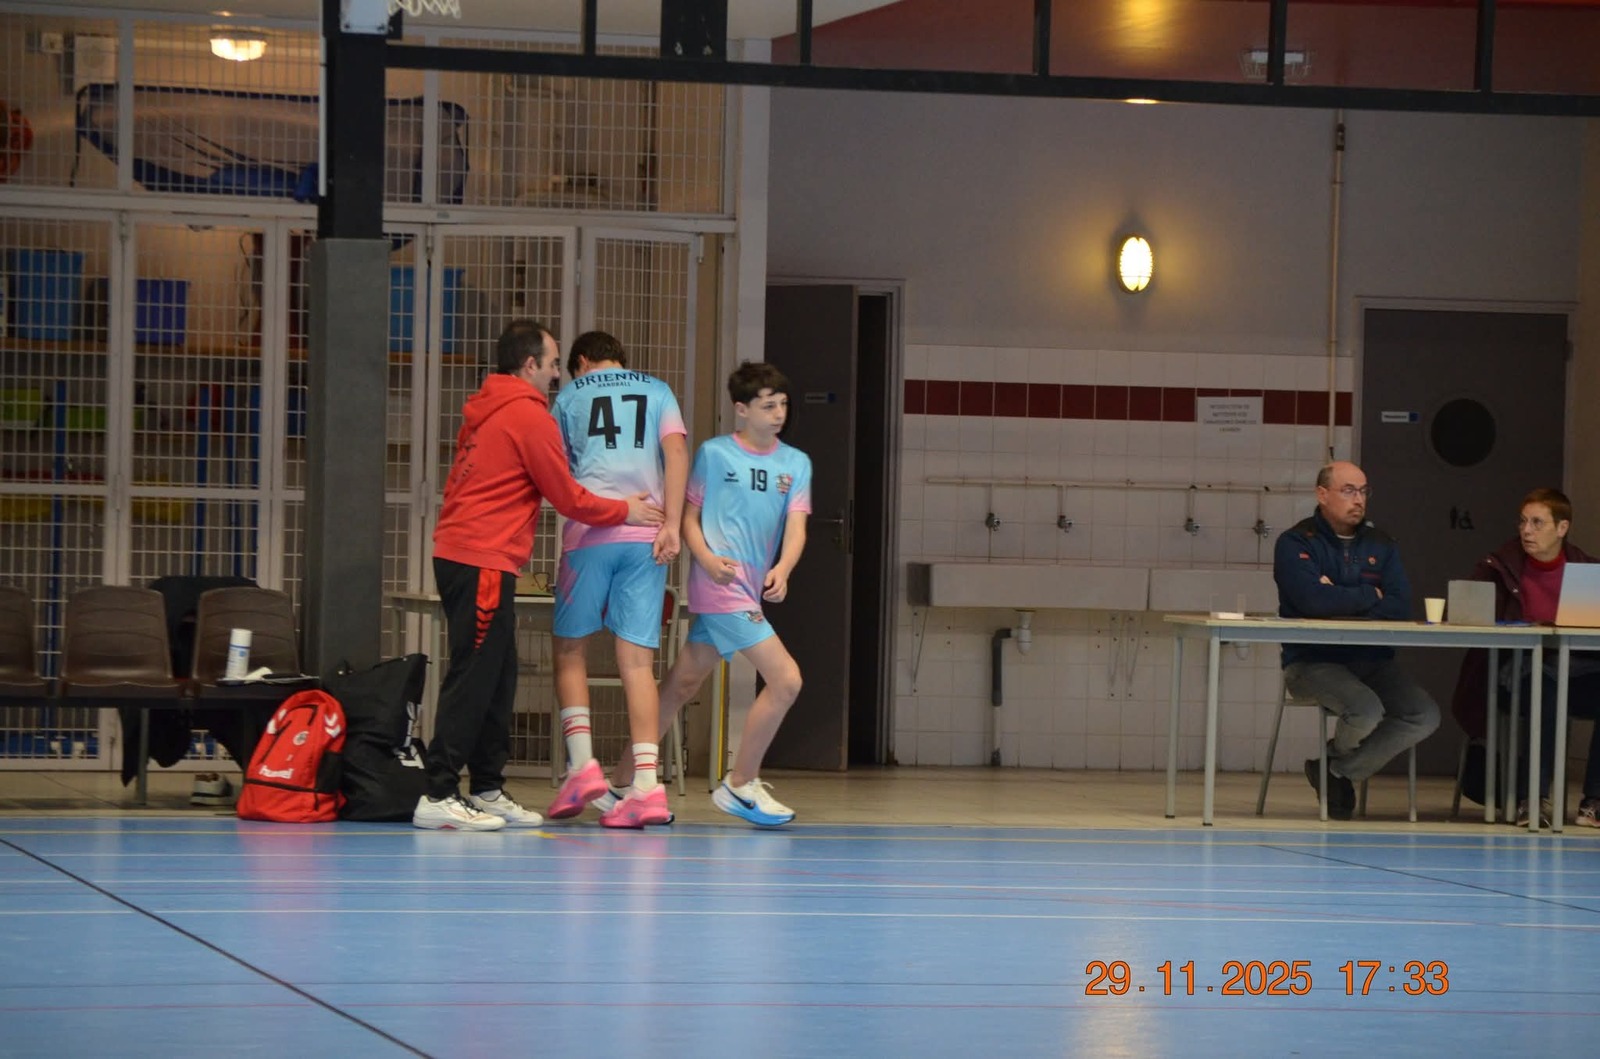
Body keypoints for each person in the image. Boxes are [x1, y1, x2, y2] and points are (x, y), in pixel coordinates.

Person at [415, 319, 663, 831]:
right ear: (529, 365)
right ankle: (438, 791)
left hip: (477, 555)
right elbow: (568, 497)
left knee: (499, 673)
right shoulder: (528, 416)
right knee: (475, 673)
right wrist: (626, 510)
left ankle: (486, 787)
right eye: (552, 365)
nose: (556, 375)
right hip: (480, 556)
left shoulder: (490, 406)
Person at [609, 361, 811, 826]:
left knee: (680, 685)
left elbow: (797, 527)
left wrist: (783, 567)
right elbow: (688, 518)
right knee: (786, 680)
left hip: (749, 592)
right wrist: (706, 559)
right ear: (741, 409)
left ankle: (620, 782)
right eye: (768, 405)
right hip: (721, 588)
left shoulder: (796, 463)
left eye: (782, 404)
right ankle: (740, 784)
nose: (779, 413)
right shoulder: (715, 454)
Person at [545, 331, 688, 828]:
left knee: (570, 651)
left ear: (582, 361)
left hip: (590, 534)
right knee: (638, 663)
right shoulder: (658, 389)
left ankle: (582, 765)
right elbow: (676, 453)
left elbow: (558, 471)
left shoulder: (570, 396)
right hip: (647, 534)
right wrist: (672, 524)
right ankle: (646, 786)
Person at [1273, 460, 1440, 820]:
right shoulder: (1295, 543)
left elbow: (1399, 606)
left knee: (1423, 715)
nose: (1359, 499)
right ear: (1322, 495)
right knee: (1366, 709)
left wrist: (1338, 595)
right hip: (1311, 661)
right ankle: (1339, 773)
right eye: (1349, 490)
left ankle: (1335, 768)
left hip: (1372, 660)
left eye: (1363, 491)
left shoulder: (1382, 544)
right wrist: (1369, 595)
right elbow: (1312, 602)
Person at [1450, 487, 1600, 827]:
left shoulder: (1588, 570)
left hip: (1575, 669)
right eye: (1522, 522)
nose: (1526, 530)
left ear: (1562, 528)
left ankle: (1594, 800)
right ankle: (1532, 798)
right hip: (1516, 671)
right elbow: (1469, 616)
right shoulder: (1498, 566)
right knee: (1545, 689)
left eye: (1537, 523)